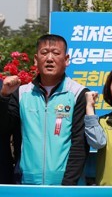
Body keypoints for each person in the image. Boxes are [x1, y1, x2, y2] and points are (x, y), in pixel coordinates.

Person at [0, 34, 88, 185]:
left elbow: (79, 144)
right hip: (27, 184)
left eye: (56, 53)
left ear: (66, 60)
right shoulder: (21, 94)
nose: (49, 58)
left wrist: (67, 186)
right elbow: (3, 129)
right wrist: (4, 97)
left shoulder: (78, 94)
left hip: (64, 185)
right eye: (44, 52)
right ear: (35, 59)